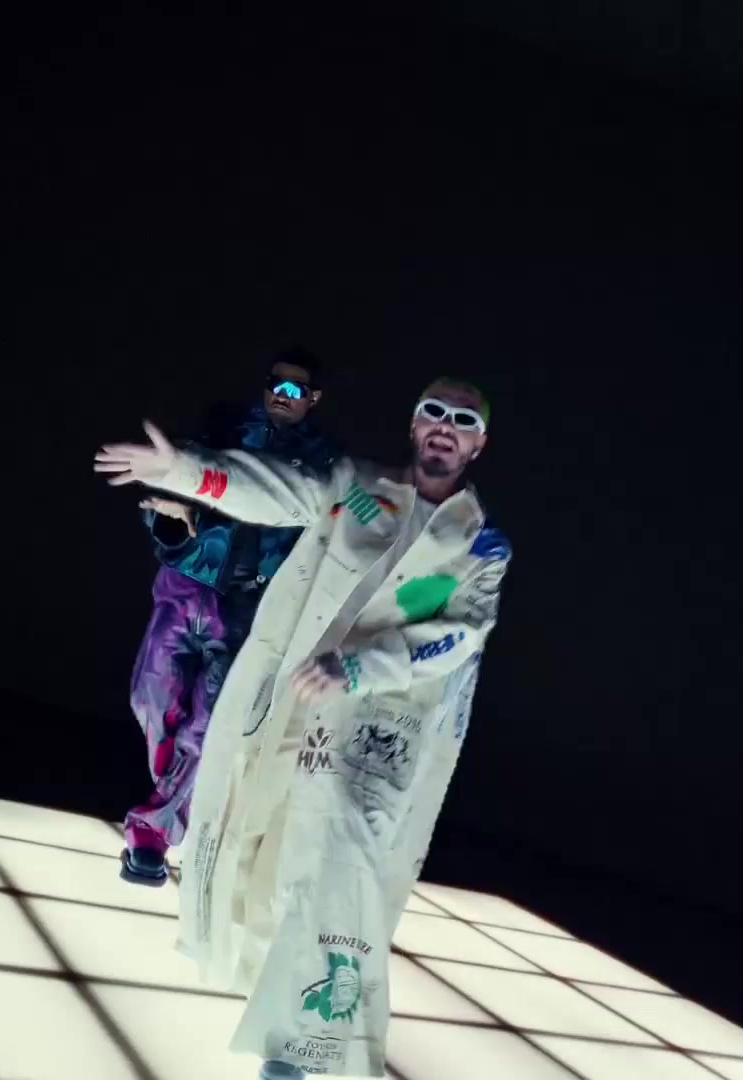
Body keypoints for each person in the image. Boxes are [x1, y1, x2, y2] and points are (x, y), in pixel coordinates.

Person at [94, 378, 510, 1079]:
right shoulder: (358, 489)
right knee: (262, 844)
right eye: (433, 412)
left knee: (337, 869)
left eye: (462, 420)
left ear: (478, 443)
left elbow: (459, 633)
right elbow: (280, 493)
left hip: (374, 729)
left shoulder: (480, 544)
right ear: (414, 425)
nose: (445, 426)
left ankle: (296, 1043)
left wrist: (362, 667)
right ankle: (272, 995)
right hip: (292, 703)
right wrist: (184, 473)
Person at [116, 349, 342, 887]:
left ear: (313, 399)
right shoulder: (222, 433)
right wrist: (172, 517)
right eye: (276, 384)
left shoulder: (327, 468)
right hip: (186, 587)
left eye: (296, 390)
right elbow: (169, 493)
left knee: (210, 722)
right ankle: (181, 807)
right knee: (150, 698)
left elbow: (327, 534)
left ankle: (152, 832)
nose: (282, 396)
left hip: (247, 613)